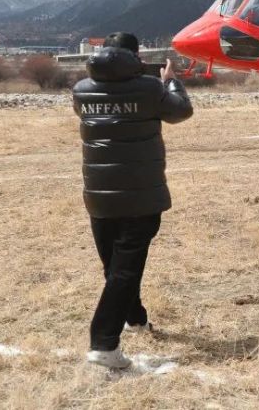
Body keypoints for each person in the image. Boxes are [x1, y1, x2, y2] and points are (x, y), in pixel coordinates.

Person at [72, 32, 193, 368]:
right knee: (124, 270)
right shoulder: (150, 89)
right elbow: (181, 112)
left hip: (98, 194)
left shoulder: (81, 91)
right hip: (141, 195)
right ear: (136, 57)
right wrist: (170, 82)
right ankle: (103, 344)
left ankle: (135, 317)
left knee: (115, 266)